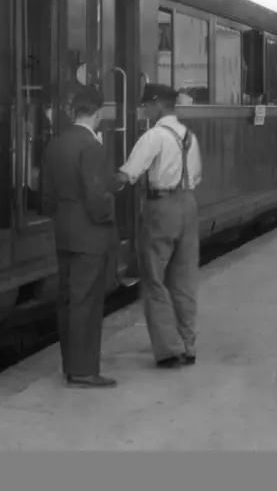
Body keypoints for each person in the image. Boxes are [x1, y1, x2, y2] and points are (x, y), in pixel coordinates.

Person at [114, 83, 203, 368]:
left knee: (154, 279)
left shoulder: (153, 136)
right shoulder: (190, 136)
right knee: (184, 280)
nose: (144, 110)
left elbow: (128, 174)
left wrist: (100, 185)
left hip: (161, 208)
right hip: (188, 206)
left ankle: (169, 350)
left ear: (156, 105)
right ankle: (188, 346)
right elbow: (197, 176)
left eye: (146, 106)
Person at [41, 85, 118, 389]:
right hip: (90, 234)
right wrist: (107, 218)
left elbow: (46, 197)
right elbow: (96, 195)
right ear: (97, 114)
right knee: (87, 300)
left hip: (63, 231)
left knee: (68, 300)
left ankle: (71, 366)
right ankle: (85, 370)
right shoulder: (92, 147)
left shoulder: (55, 144)